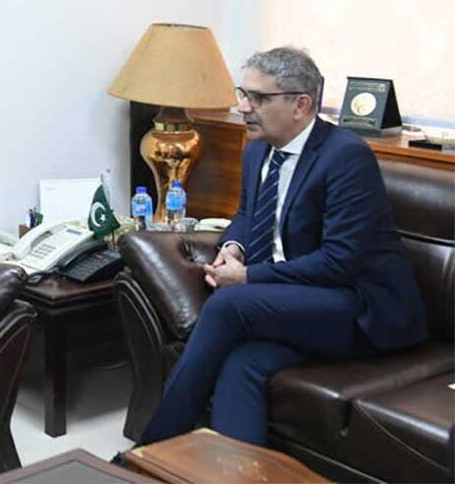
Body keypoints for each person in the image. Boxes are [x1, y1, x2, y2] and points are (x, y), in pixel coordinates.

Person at [138, 47, 426, 446]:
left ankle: (149, 450)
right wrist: (234, 247)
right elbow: (247, 214)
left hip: (358, 308)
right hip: (296, 299)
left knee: (226, 305)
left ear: (300, 105)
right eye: (244, 94)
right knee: (243, 362)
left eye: (258, 98)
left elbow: (339, 262)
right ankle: (232, 470)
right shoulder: (257, 148)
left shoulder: (345, 156)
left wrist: (248, 276)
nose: (243, 107)